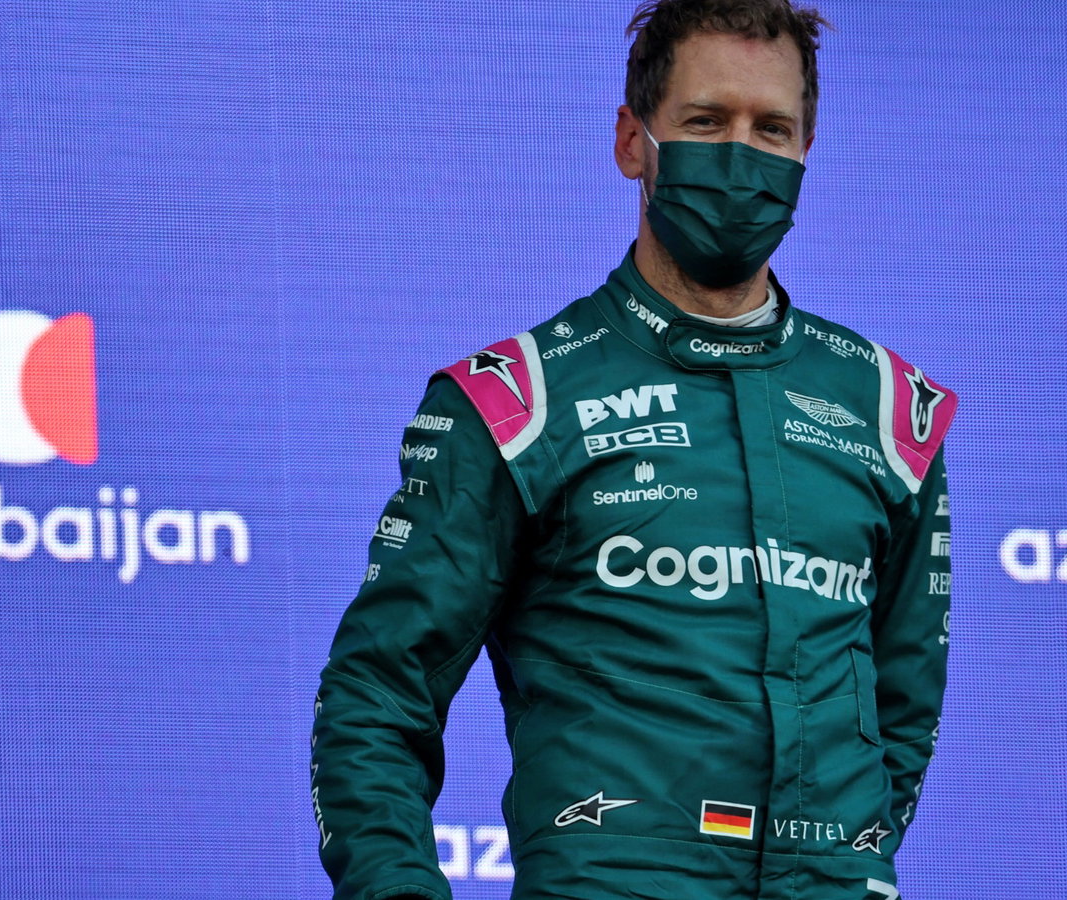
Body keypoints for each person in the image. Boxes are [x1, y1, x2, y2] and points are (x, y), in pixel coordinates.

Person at [311, 1, 956, 897]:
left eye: (772, 128)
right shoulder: (514, 403)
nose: (739, 155)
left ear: (809, 148)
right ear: (632, 142)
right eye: (704, 121)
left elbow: (901, 717)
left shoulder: (891, 410)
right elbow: (375, 699)